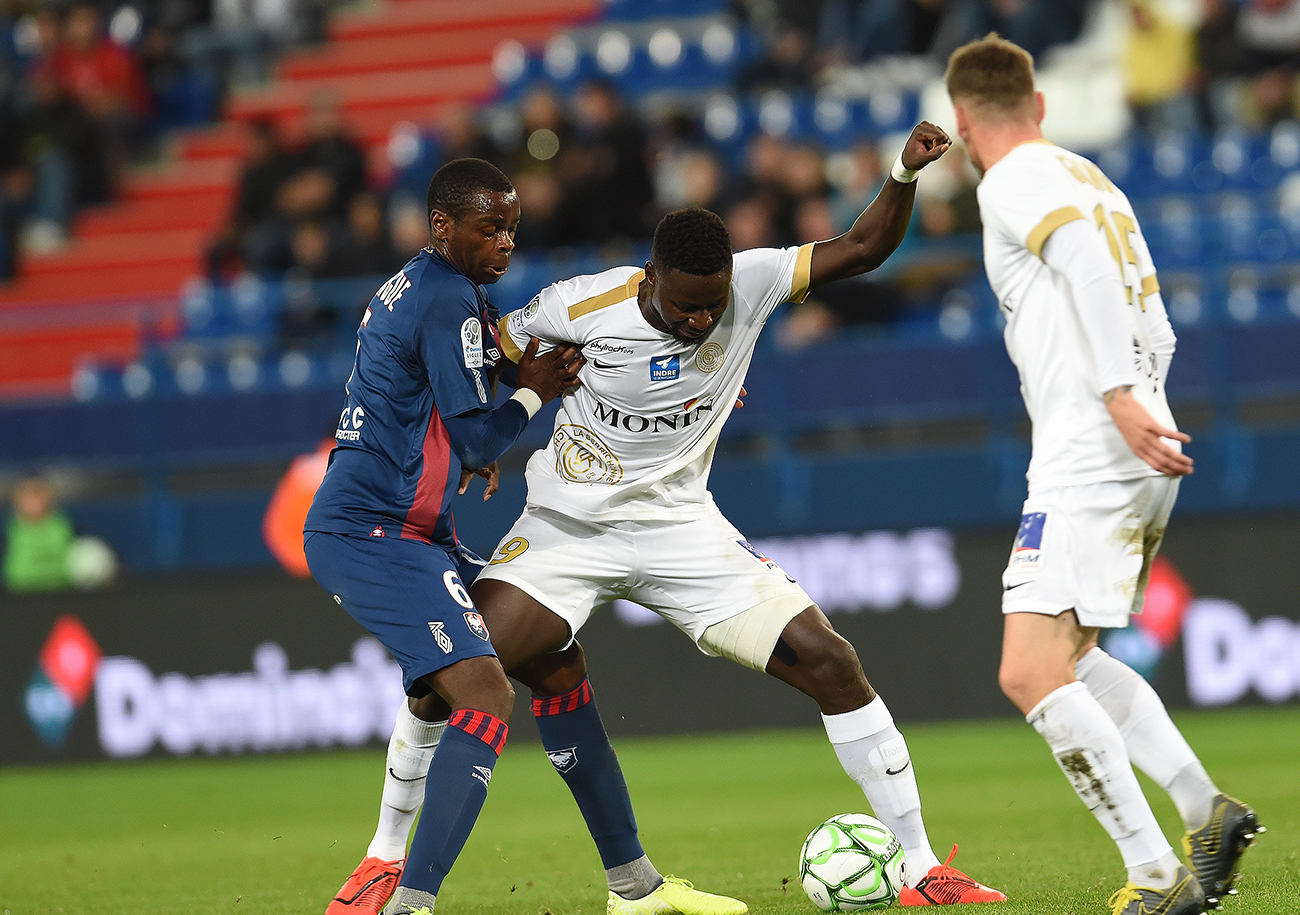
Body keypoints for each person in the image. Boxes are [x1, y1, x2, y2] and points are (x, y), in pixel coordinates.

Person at [333, 122, 1011, 915]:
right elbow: (491, 352)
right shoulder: (581, 304)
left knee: (831, 659)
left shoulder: (750, 283)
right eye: (686, 308)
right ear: (650, 277)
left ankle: (921, 867)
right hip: (565, 530)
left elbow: (861, 247)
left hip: (683, 530)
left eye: (712, 309)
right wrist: (488, 428)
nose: (700, 324)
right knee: (451, 678)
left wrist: (900, 171)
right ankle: (384, 857)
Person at [943, 34, 1263, 915]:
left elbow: (1082, 254)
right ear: (1039, 105)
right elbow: (1146, 303)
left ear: (965, 121)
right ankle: (1206, 811)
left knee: (1027, 670)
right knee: (1072, 656)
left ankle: (1158, 877)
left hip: (1093, 440)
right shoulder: (1090, 175)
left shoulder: (1014, 180)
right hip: (1130, 435)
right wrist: (1145, 395)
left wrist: (1117, 395)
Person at [302, 157, 586, 915]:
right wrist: (533, 394)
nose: (504, 244)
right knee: (485, 691)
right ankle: (409, 897)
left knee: (536, 660)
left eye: (512, 230)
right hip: (371, 531)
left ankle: (383, 861)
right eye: (489, 228)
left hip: (416, 529)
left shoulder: (433, 286)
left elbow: (457, 396)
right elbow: (479, 439)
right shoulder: (447, 298)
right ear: (443, 226)